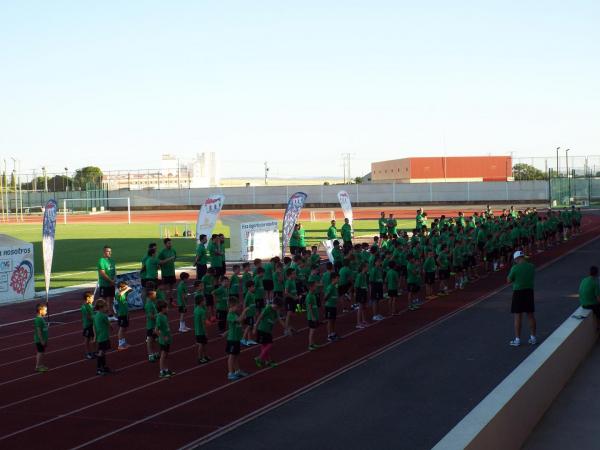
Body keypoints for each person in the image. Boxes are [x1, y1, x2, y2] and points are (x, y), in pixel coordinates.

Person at [507, 250, 536, 346]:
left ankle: (517, 339)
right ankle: (533, 337)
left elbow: (508, 280)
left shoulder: (515, 268)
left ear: (516, 259)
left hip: (518, 292)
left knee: (518, 316)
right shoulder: (531, 266)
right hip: (529, 291)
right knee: (530, 315)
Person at [253, 297, 286, 368]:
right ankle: (259, 358)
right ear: (276, 305)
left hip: (268, 331)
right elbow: (259, 317)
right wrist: (255, 328)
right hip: (262, 330)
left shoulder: (275, 311)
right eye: (278, 307)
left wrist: (286, 327)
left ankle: (268, 361)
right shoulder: (267, 309)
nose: (279, 309)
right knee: (269, 344)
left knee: (264, 346)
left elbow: (279, 320)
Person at [226, 296, 249, 381]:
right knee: (231, 356)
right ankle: (230, 373)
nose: (238, 308)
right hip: (232, 339)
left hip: (236, 339)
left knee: (236, 356)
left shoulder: (235, 314)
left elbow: (240, 322)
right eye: (237, 306)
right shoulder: (230, 315)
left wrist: (244, 316)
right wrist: (244, 311)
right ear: (231, 306)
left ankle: (237, 371)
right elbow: (239, 320)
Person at [155, 300, 174, 378]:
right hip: (163, 340)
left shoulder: (164, 316)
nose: (167, 308)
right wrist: (163, 337)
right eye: (166, 307)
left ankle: (165, 369)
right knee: (163, 355)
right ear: (162, 308)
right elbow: (156, 330)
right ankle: (161, 371)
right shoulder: (159, 317)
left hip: (167, 338)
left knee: (166, 355)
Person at [97, 246, 117, 320]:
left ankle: (110, 315)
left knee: (111, 300)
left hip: (111, 284)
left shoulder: (112, 261)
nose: (110, 253)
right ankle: (102, 316)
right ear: (104, 252)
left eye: (110, 251)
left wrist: (114, 279)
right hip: (104, 284)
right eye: (108, 251)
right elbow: (102, 273)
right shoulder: (101, 261)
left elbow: (114, 271)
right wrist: (111, 281)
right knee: (103, 301)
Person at [92, 299, 111, 375]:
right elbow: (108, 324)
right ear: (101, 307)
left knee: (103, 352)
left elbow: (94, 326)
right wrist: (111, 327)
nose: (107, 308)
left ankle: (104, 366)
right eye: (105, 306)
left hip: (100, 336)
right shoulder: (103, 316)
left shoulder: (96, 315)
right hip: (104, 337)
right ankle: (99, 368)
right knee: (101, 352)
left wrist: (95, 336)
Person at [158, 238, 177, 305]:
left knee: (171, 288)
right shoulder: (162, 252)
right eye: (169, 243)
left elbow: (174, 259)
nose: (170, 244)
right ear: (165, 244)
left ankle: (171, 301)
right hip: (165, 273)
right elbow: (159, 262)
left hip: (172, 272)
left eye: (171, 243)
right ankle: (164, 301)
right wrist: (168, 260)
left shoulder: (173, 250)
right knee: (164, 288)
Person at [193, 293, 210, 364]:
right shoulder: (202, 311)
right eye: (204, 301)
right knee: (201, 344)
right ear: (201, 302)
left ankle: (204, 356)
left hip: (197, 330)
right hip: (201, 331)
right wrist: (206, 332)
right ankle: (200, 358)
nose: (205, 302)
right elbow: (203, 323)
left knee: (203, 344)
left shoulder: (196, 309)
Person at [115, 281, 132, 350]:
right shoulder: (117, 294)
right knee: (121, 329)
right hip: (121, 314)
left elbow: (131, 289)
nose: (126, 288)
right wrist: (125, 289)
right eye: (124, 287)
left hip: (126, 313)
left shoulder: (124, 293)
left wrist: (126, 288)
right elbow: (120, 294)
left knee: (125, 329)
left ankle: (123, 342)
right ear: (120, 288)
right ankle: (120, 344)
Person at [144, 287, 159, 363]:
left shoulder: (152, 302)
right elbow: (150, 315)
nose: (156, 294)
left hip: (154, 325)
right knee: (150, 340)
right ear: (150, 295)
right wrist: (158, 317)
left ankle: (155, 353)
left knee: (154, 340)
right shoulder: (149, 304)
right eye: (154, 293)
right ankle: (150, 355)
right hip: (151, 325)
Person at [324, 272, 340, 341]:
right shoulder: (330, 287)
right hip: (329, 306)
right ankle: (329, 335)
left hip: (333, 306)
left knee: (333, 320)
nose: (338, 280)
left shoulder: (335, 286)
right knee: (330, 320)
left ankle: (333, 333)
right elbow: (325, 297)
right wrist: (329, 300)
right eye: (337, 278)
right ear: (333, 279)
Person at [241, 281, 258, 346]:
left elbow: (253, 304)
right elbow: (244, 304)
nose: (254, 288)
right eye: (253, 287)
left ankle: (249, 340)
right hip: (249, 314)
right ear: (249, 288)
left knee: (250, 327)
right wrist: (244, 314)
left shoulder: (252, 294)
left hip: (252, 313)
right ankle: (242, 339)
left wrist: (255, 311)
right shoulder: (248, 294)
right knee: (249, 326)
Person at [306, 281, 321, 350]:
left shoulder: (313, 295)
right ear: (311, 287)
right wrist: (312, 317)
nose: (316, 287)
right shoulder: (309, 296)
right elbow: (309, 307)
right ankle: (310, 345)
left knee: (313, 330)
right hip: (311, 317)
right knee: (312, 331)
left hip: (314, 316)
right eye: (315, 286)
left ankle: (313, 343)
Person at [81, 291, 96, 359]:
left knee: (94, 338)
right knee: (87, 340)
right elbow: (88, 317)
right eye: (92, 298)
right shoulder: (84, 307)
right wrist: (96, 319)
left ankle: (94, 352)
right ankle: (88, 353)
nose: (93, 299)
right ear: (88, 298)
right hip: (87, 325)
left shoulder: (90, 305)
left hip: (92, 325)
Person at [34, 302, 48, 372]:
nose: (46, 312)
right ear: (40, 311)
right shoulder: (38, 319)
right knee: (40, 352)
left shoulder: (41, 318)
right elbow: (39, 331)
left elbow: (42, 329)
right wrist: (42, 340)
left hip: (43, 339)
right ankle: (37, 366)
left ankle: (41, 365)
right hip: (40, 340)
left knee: (42, 352)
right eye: (45, 310)